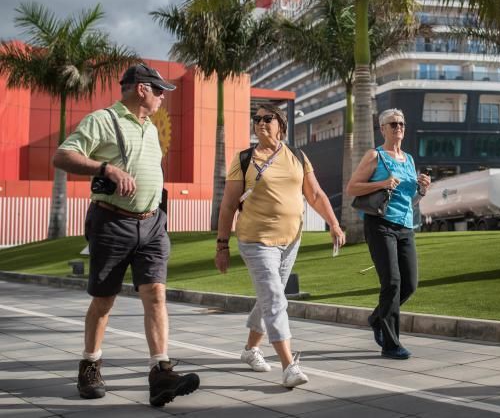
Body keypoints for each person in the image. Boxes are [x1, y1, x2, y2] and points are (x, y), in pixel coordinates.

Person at [53, 63, 200, 407]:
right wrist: (105, 168)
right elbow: (63, 156)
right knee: (104, 301)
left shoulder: (150, 127)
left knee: (156, 295)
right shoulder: (103, 120)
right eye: (159, 90)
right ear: (142, 89)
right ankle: (90, 365)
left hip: (152, 223)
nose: (164, 96)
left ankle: (160, 374)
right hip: (111, 221)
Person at [215, 103, 345, 388]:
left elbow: (315, 194)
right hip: (256, 241)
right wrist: (222, 245)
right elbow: (227, 206)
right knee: (275, 299)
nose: (260, 122)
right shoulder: (245, 159)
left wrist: (334, 224)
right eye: (256, 118)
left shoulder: (297, 155)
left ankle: (250, 350)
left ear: (281, 125)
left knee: (268, 298)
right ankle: (289, 365)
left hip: (291, 241)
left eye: (267, 118)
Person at [346, 108, 431, 359]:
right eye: (393, 124)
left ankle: (376, 317)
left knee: (410, 284)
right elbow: (352, 188)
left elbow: (410, 200)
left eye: (402, 124)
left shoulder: (410, 159)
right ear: (382, 129)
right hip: (380, 224)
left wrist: (423, 189)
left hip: (405, 227)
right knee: (392, 283)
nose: (398, 128)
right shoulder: (375, 155)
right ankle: (391, 344)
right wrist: (381, 183)